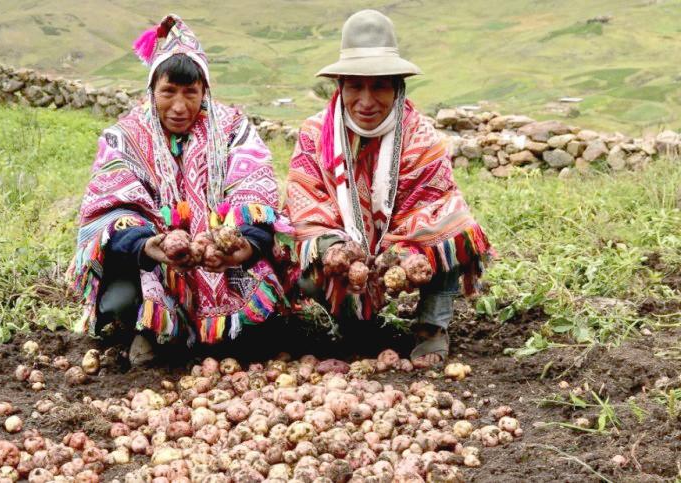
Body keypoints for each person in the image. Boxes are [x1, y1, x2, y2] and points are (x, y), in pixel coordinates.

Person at [69, 14, 289, 365]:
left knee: (264, 319)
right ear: (152, 90)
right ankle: (150, 329)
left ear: (204, 91)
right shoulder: (124, 138)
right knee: (119, 301)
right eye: (168, 91)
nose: (179, 106)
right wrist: (148, 246)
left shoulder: (233, 129)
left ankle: (233, 334)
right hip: (154, 262)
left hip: (223, 257)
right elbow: (111, 210)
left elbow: (255, 192)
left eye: (191, 92)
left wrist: (241, 245)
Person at [285, 10, 493, 368]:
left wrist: (399, 255)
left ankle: (432, 326)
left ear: (398, 87)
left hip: (402, 251)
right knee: (304, 254)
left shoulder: (421, 137)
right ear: (340, 87)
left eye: (379, 86)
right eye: (355, 86)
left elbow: (432, 205)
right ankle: (353, 324)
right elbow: (305, 201)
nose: (366, 101)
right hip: (345, 252)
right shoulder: (314, 134)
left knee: (452, 226)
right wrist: (335, 248)